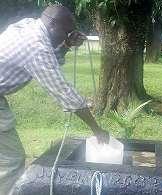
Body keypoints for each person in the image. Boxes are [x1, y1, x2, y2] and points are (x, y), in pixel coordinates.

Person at [0, 4, 109, 195]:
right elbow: (64, 92)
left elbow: (49, 59)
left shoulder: (30, 26)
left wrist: (66, 45)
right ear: (53, 25)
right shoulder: (36, 46)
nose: (67, 36)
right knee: (12, 161)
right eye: (67, 32)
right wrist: (97, 129)